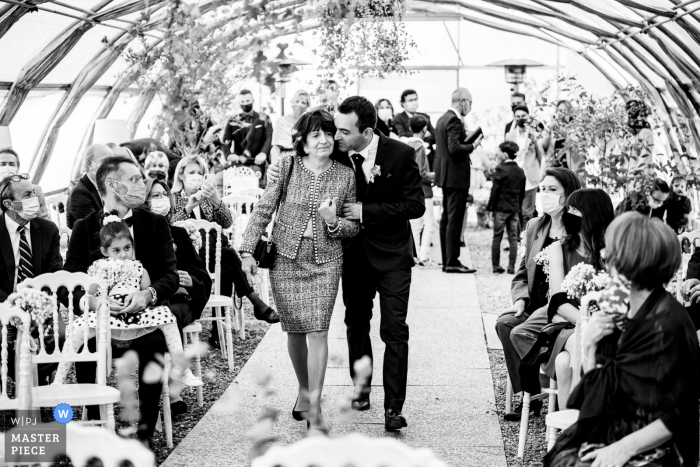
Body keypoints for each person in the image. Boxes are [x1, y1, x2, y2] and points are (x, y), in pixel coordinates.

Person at [265, 97, 425, 431]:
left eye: (343, 130)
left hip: (393, 255)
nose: (335, 136)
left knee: (395, 329)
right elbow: (306, 158)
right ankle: (361, 387)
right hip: (351, 252)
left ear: (366, 132)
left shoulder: (400, 154)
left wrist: (368, 212)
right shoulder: (337, 152)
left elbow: (415, 206)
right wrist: (280, 166)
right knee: (356, 322)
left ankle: (394, 407)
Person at [545, 212, 699, 467]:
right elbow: (590, 406)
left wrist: (621, 450)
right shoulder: (621, 312)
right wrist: (590, 350)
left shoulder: (669, 326)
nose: (604, 257)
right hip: (615, 432)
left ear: (633, 261)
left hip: (655, 449)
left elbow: (676, 414)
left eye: (612, 251)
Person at [240, 109, 359, 433]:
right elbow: (264, 208)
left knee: (318, 331)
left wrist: (333, 221)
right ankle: (304, 391)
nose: (323, 140)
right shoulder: (287, 166)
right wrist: (247, 250)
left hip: (326, 261)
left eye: (328, 133)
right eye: (315, 134)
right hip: (286, 260)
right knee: (294, 331)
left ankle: (315, 404)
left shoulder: (344, 175)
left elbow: (353, 226)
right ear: (303, 141)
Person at [64, 155, 179, 447]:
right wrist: (92, 302)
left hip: (141, 318)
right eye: (134, 179)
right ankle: (95, 428)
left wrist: (147, 294)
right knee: (89, 343)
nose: (142, 184)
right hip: (102, 319)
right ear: (112, 185)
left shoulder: (154, 223)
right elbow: (71, 282)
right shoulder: (83, 227)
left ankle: (145, 434)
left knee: (154, 343)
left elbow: (170, 275)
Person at [54, 213, 202, 387]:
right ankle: (59, 380)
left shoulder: (138, 268)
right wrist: (101, 294)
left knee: (168, 317)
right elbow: (91, 291)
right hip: (108, 315)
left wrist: (143, 295)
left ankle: (180, 368)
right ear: (104, 251)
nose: (123, 254)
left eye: (127, 248)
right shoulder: (101, 268)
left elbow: (145, 289)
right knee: (78, 331)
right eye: (116, 250)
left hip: (134, 314)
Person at [495, 168, 581, 421]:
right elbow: (523, 269)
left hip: (562, 305)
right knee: (505, 323)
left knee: (520, 331)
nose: (544, 194)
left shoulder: (578, 230)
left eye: (552, 190)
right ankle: (529, 394)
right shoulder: (535, 225)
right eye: (542, 188)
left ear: (569, 195)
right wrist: (520, 299)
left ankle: (552, 388)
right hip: (534, 303)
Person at [521, 189, 614, 409]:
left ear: (591, 214)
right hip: (567, 325)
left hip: (604, 323)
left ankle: (570, 431)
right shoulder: (558, 249)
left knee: (564, 364)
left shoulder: (611, 252)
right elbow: (558, 301)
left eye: (573, 209)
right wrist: (586, 323)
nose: (566, 213)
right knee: (579, 341)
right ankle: (587, 423)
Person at [170, 155, 278, 340]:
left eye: (200, 173)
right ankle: (253, 302)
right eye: (191, 172)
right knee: (227, 257)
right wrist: (188, 207)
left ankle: (218, 332)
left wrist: (217, 201)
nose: (196, 176)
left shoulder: (207, 198)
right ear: (181, 174)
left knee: (226, 262)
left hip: (212, 256)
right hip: (187, 260)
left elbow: (227, 223)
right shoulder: (173, 198)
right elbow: (168, 226)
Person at [145, 178, 212, 415]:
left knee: (168, 318)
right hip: (150, 301)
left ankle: (172, 394)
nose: (160, 199)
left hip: (179, 302)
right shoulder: (138, 236)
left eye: (163, 194)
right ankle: (163, 388)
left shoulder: (179, 234)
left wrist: (191, 280)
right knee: (156, 323)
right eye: (154, 195)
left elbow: (201, 274)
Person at [0, 173, 64, 384]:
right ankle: (19, 382)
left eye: (34, 193)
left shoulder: (48, 230)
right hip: (3, 305)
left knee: (62, 336)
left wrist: (37, 305)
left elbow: (55, 274)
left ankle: (31, 384)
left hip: (40, 305)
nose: (34, 199)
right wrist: (13, 306)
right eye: (27, 194)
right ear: (9, 203)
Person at [434, 87, 482, 273]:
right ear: (463, 102)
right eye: (470, 102)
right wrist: (473, 145)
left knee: (447, 219)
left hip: (446, 176)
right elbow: (454, 148)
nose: (470, 106)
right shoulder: (454, 120)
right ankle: (452, 261)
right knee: (454, 219)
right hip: (456, 177)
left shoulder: (441, 119)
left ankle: (448, 260)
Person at [402, 115, 436, 267]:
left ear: (410, 128)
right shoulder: (420, 146)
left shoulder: (405, 144)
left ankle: (413, 255)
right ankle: (424, 256)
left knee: (415, 224)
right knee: (428, 223)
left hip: (409, 190)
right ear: (425, 129)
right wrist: (434, 176)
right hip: (424, 189)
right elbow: (421, 172)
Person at [487, 141, 525, 274]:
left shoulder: (501, 169)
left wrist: (490, 208)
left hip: (501, 208)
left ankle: (496, 266)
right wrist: (518, 208)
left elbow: (495, 191)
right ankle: (511, 267)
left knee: (497, 236)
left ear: (504, 153)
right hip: (514, 209)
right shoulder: (520, 172)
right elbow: (522, 193)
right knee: (513, 238)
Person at [506, 104, 544, 228]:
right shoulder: (510, 135)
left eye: (523, 116)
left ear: (528, 117)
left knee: (527, 212)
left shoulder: (534, 134)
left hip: (530, 177)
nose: (520, 118)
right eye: (517, 116)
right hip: (514, 177)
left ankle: (526, 241)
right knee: (515, 211)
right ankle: (515, 240)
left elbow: (540, 155)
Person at [224, 89, 273, 183]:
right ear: (239, 103)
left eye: (247, 101)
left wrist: (263, 153)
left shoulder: (263, 118)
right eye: (242, 102)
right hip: (238, 162)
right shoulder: (232, 120)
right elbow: (226, 140)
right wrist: (229, 155)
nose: (245, 104)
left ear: (253, 101)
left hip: (258, 162)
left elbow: (268, 137)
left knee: (254, 179)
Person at [66, 143, 113, 228]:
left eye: (112, 161)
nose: (110, 165)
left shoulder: (108, 185)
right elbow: (94, 226)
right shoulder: (79, 193)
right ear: (90, 165)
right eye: (105, 161)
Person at [0, 148, 50, 221]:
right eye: (3, 164)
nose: (7, 168)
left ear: (17, 168)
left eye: (11, 164)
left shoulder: (35, 190)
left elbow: (45, 220)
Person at [393, 90, 436, 167]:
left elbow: (434, 134)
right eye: (410, 100)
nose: (414, 102)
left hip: (428, 156)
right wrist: (421, 135)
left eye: (415, 99)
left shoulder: (425, 117)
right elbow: (402, 134)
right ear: (403, 103)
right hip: (411, 156)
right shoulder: (398, 118)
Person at [271, 90, 310, 164]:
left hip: (304, 160)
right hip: (284, 160)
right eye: (297, 101)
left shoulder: (309, 123)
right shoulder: (281, 121)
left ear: (307, 106)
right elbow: (275, 148)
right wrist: (274, 167)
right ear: (292, 102)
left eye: (303, 103)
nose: (299, 104)